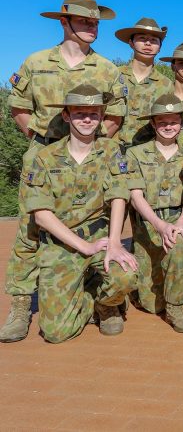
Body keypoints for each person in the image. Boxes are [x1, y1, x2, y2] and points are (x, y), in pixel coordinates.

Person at [2, 0, 127, 343]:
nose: (92, 28)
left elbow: (115, 114)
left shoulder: (106, 68)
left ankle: (104, 297)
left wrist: (93, 143)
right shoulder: (37, 62)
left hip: (90, 156)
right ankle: (20, 306)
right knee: (29, 231)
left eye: (96, 23)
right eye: (85, 22)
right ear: (64, 22)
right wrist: (43, 141)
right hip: (44, 157)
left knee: (95, 219)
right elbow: (19, 108)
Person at [23, 85, 137, 343]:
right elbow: (41, 215)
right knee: (55, 333)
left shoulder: (110, 151)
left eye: (94, 114)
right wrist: (84, 247)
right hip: (61, 244)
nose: (87, 119)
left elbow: (119, 195)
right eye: (79, 113)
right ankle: (90, 298)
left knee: (126, 274)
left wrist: (116, 243)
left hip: (100, 237)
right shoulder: (44, 157)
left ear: (101, 117)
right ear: (66, 116)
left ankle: (107, 304)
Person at [124, 94, 183, 333]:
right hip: (148, 221)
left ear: (181, 123)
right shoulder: (135, 154)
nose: (168, 127)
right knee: (151, 303)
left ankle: (176, 307)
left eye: (173, 121)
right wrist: (158, 225)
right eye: (162, 122)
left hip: (180, 216)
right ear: (153, 124)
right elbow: (135, 194)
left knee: (180, 245)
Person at [114, 18, 172, 151]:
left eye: (153, 40)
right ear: (131, 43)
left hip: (147, 153)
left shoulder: (166, 84)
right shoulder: (114, 75)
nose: (148, 43)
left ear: (159, 47)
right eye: (142, 38)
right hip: (111, 148)